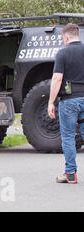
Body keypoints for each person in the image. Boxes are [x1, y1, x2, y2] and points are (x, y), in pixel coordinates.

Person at [48, 23, 84, 184]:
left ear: (67, 37)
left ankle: (70, 174)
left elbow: (57, 78)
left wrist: (51, 102)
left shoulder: (63, 53)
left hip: (69, 101)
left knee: (69, 137)